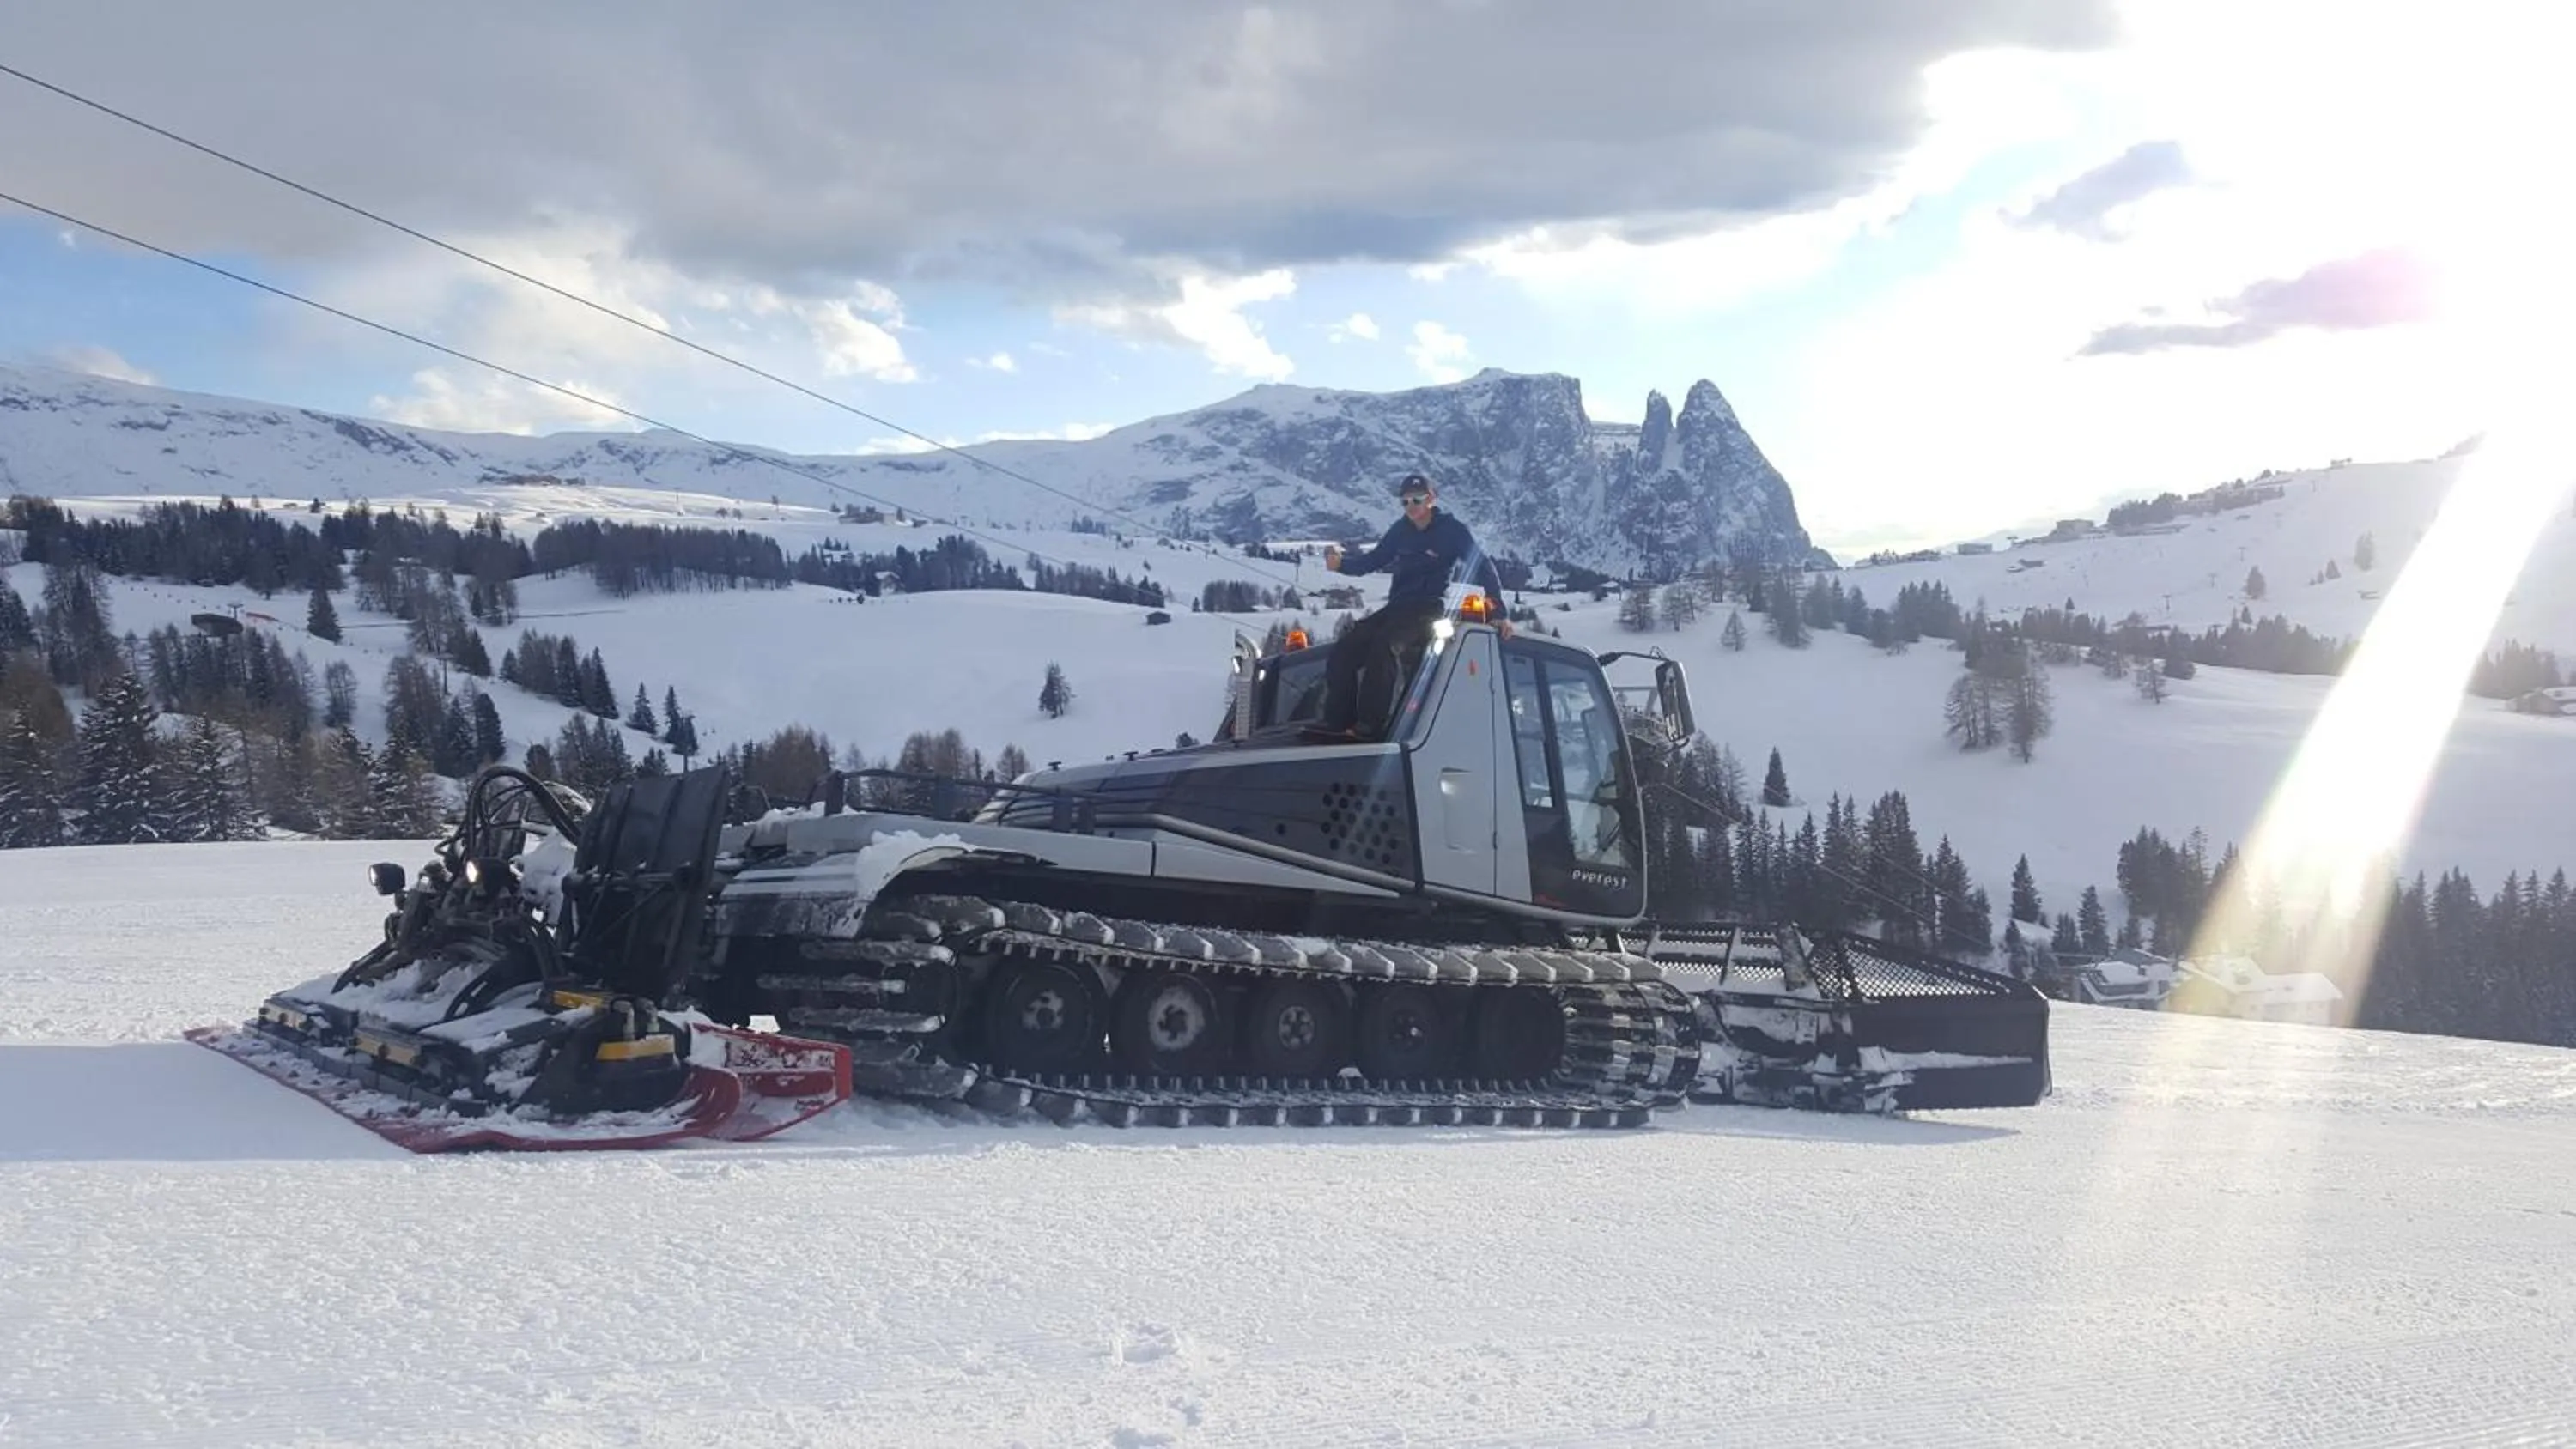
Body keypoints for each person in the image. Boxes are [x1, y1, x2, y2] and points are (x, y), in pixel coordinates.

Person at [1305, 472, 1512, 740]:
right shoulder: (1401, 530)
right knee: (1346, 648)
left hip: (1427, 609)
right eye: (1405, 502)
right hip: (1397, 608)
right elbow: (1374, 560)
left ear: (1431, 499)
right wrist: (1341, 565)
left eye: (1417, 500)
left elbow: (1483, 566)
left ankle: (1370, 726)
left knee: (1385, 646)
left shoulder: (1452, 530)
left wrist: (1499, 612)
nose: (1411, 506)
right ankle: (1337, 721)